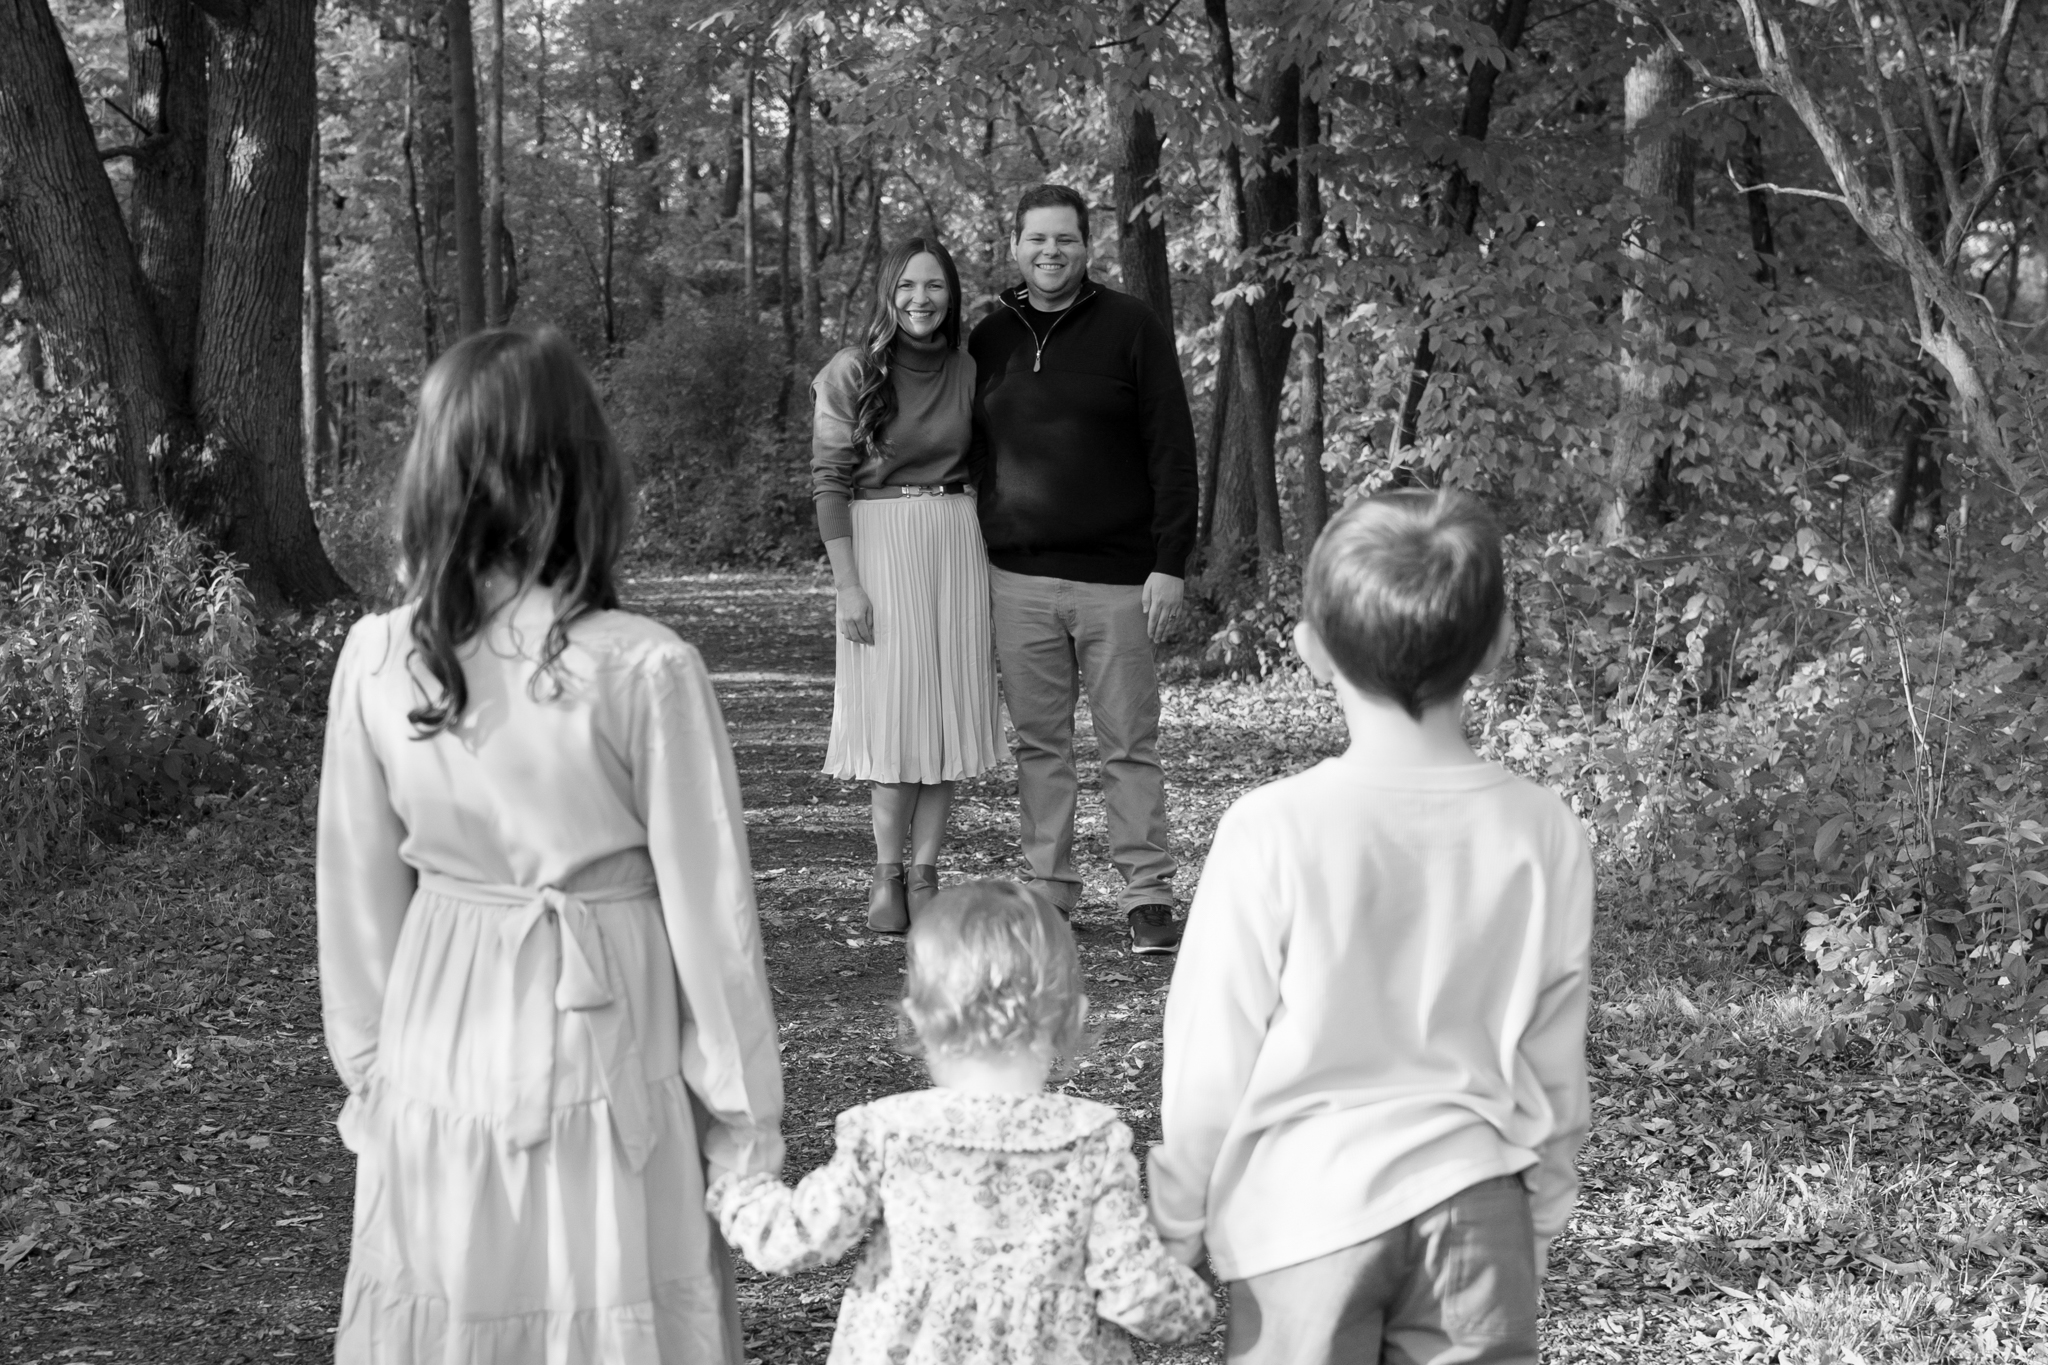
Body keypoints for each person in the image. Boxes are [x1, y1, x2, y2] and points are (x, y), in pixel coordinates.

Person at [316, 327, 785, 1364]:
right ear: (579, 475)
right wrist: (743, 1127)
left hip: (443, 1038)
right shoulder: (644, 667)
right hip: (607, 1037)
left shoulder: (380, 657)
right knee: (601, 1293)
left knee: (455, 1307)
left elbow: (356, 911)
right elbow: (714, 926)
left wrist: (378, 1082)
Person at [1148, 490, 1594, 1364]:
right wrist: (1538, 1213)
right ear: (1498, 645)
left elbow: (1210, 1055)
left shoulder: (1272, 829)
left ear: (1312, 650)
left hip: (1301, 1211)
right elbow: (1552, 1050)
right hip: (1478, 1203)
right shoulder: (1544, 831)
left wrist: (1178, 1217)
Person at [707, 880, 1214, 1365]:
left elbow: (798, 1237)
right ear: (1073, 1018)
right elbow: (1134, 1289)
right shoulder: (1089, 1141)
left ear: (916, 1018)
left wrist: (735, 1192)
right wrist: (1194, 1302)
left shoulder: (889, 1133)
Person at [968, 184, 1198, 957]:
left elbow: (1172, 448)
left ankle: (1148, 894)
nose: (1050, 252)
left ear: (1085, 246)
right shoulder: (989, 338)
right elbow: (965, 449)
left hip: (1119, 581)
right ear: (1015, 246)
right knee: (1040, 747)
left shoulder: (1132, 327)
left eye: (1064, 239)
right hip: (1019, 579)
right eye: (1037, 239)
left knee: (1128, 743)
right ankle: (1049, 889)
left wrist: (1171, 561)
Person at [813, 236, 1004, 934]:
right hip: (880, 541)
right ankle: (886, 873)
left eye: (935, 286)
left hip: (954, 538)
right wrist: (848, 585)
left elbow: (990, 462)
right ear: (888, 293)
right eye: (907, 287)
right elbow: (829, 481)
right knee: (896, 715)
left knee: (944, 712)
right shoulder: (852, 370)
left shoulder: (968, 369)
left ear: (951, 295)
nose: (921, 299)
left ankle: (926, 873)